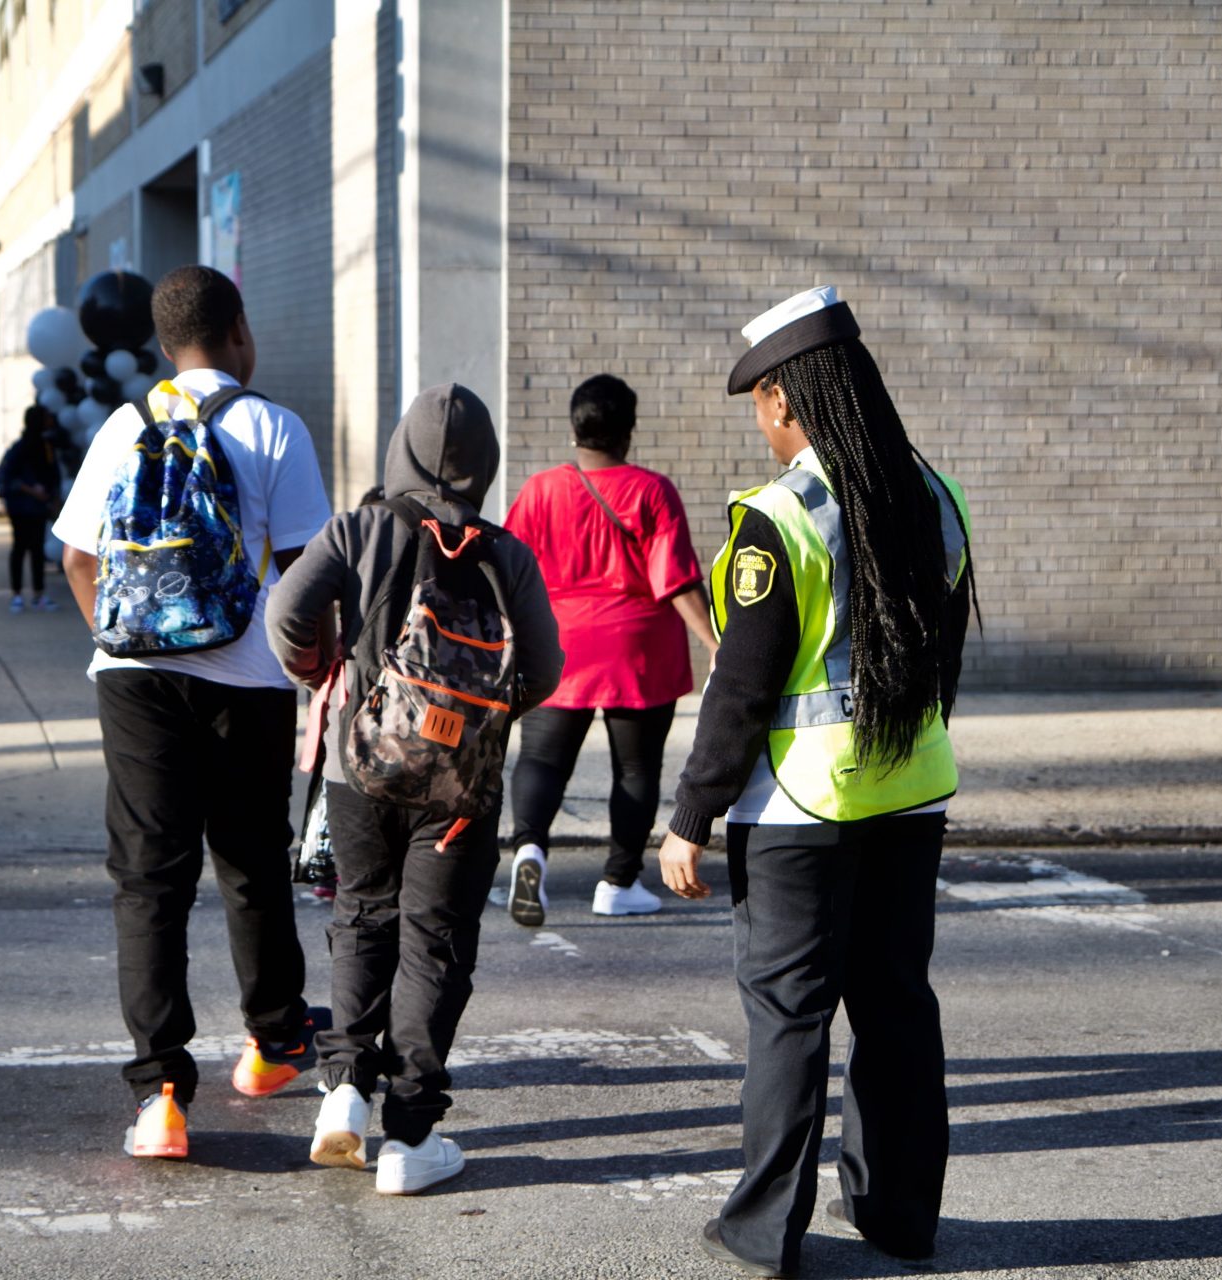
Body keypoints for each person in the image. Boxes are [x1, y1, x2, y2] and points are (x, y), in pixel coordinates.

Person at [656, 287, 975, 1276]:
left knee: (791, 1015)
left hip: (800, 808)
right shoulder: (934, 494)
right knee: (896, 1003)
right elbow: (943, 661)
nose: (760, 422)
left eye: (760, 402)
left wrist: (691, 813)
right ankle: (898, 1216)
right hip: (910, 794)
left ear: (787, 401)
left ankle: (765, 1232)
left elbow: (742, 686)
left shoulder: (780, 517)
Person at [53, 265, 335, 1160]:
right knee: (251, 859)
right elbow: (306, 573)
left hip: (134, 678)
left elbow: (76, 558)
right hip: (248, 677)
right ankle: (274, 1041)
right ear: (239, 330)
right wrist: (317, 666)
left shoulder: (122, 425)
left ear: (163, 342)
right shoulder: (273, 427)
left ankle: (161, 1097)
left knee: (149, 877)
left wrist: (124, 638)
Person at [267, 384, 563, 1195]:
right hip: (459, 789)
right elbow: (545, 669)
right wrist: (477, 720)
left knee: (362, 914)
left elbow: (286, 611)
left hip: (359, 768)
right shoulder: (506, 555)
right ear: (485, 465)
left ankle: (343, 1090)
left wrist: (320, 672)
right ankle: (410, 1138)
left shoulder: (357, 529)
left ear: (400, 450)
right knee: (435, 942)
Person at [502, 374, 718, 924]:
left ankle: (529, 853)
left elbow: (509, 572)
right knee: (636, 768)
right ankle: (618, 883)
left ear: (574, 430)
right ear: (628, 430)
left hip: (560, 645)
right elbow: (675, 578)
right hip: (637, 650)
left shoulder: (540, 490)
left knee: (541, 760)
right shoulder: (652, 491)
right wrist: (714, 643)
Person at [0, 405, 63, 613]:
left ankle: (38, 594)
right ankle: (17, 594)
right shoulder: (22, 447)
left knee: (36, 550)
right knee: (20, 548)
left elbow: (52, 474)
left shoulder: (46, 446)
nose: (50, 421)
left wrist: (52, 496)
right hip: (21, 506)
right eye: (46, 417)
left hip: (38, 507)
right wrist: (33, 490)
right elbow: (10, 476)